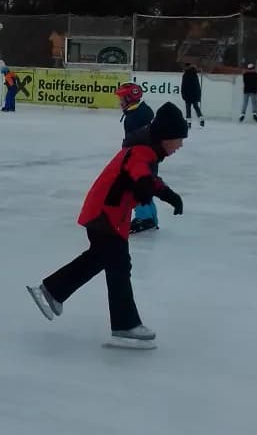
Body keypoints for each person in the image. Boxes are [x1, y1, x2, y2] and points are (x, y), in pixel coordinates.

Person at [27, 102, 187, 345]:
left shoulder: (148, 152)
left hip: (108, 215)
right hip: (105, 216)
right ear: (166, 137)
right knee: (118, 266)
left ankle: (51, 291)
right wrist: (145, 187)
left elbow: (149, 180)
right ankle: (124, 324)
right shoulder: (141, 152)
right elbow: (141, 175)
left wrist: (169, 195)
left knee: (101, 260)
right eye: (179, 139)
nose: (181, 145)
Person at [115, 83, 157, 234]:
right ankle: (151, 217)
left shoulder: (132, 118)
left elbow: (134, 141)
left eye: (122, 98)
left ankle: (145, 218)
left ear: (129, 98)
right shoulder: (144, 110)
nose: (120, 102)